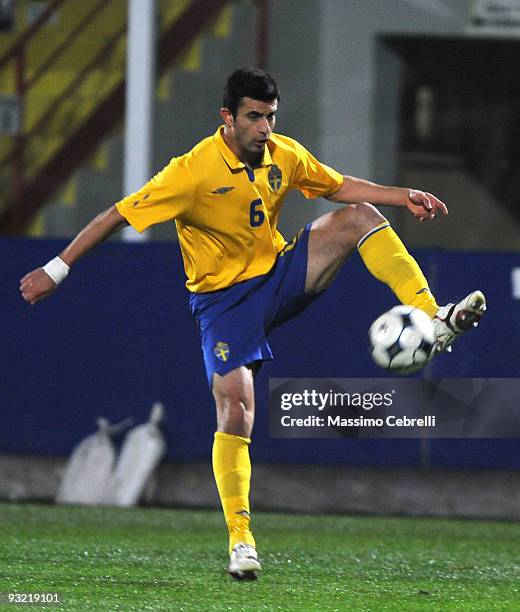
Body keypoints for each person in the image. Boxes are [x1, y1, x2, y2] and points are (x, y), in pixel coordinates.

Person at [20, 67, 486, 580]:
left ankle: (432, 317)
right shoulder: (191, 172)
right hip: (224, 305)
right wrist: (55, 269)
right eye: (255, 117)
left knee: (360, 215)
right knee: (237, 411)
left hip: (280, 274)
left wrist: (404, 195)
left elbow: (337, 187)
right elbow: (116, 214)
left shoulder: (282, 154)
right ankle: (241, 541)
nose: (265, 128)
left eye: (270, 116)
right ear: (228, 117)